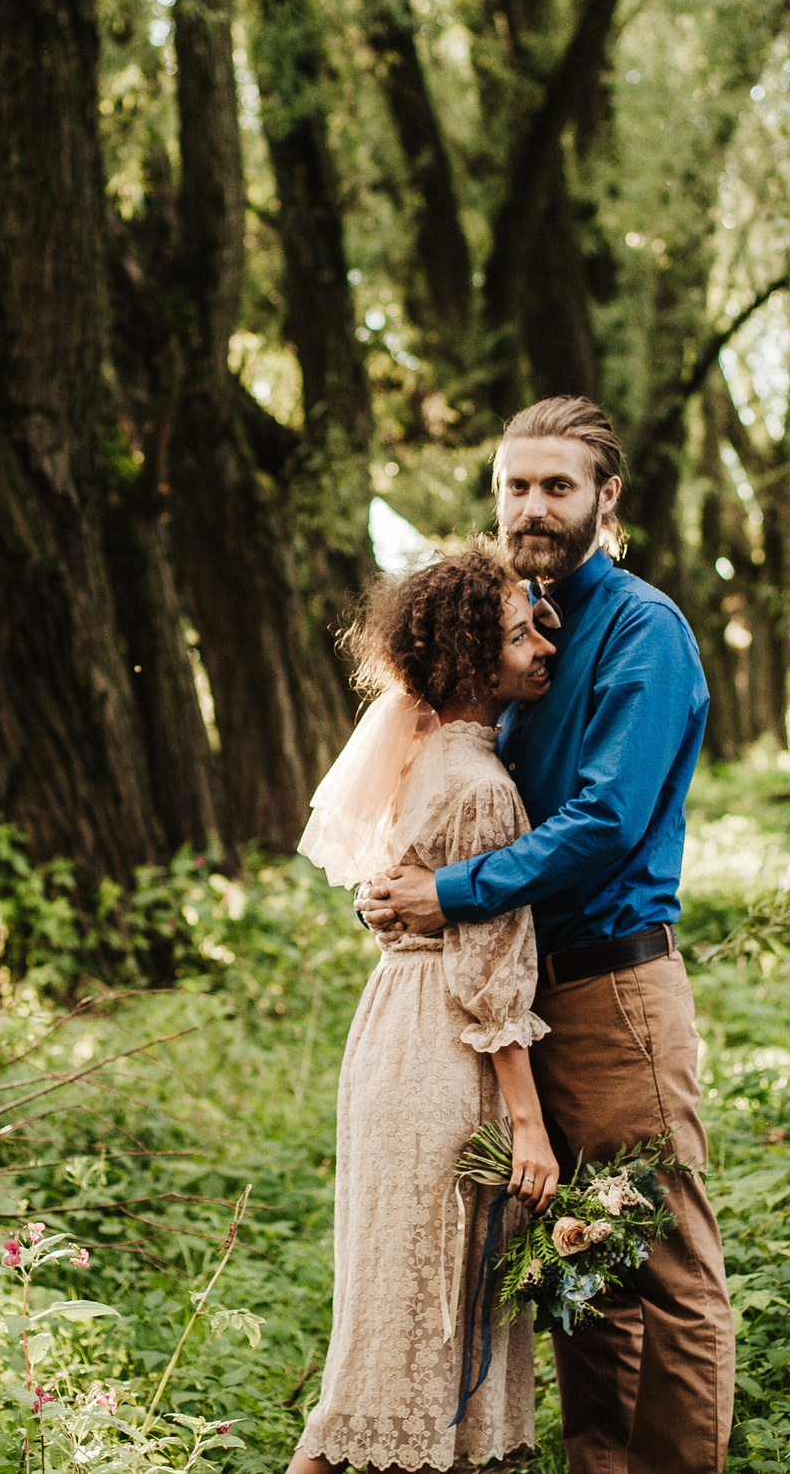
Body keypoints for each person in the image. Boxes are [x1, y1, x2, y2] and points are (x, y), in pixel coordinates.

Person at [359, 395, 736, 1474]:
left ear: (605, 497)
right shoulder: (508, 638)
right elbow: (451, 791)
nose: (531, 506)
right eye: (514, 486)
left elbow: (606, 822)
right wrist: (399, 887)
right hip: (513, 1008)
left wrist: (454, 892)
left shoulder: (641, 632)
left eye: (555, 486)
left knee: (661, 1268)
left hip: (612, 992)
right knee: (578, 1268)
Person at [288, 548, 563, 1474]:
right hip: (444, 1046)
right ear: (470, 661)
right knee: (436, 1299)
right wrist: (528, 1122)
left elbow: (393, 897)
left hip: (391, 1031)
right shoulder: (484, 785)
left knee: (389, 1300)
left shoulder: (424, 754)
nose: (542, 646)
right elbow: (491, 971)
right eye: (520, 634)